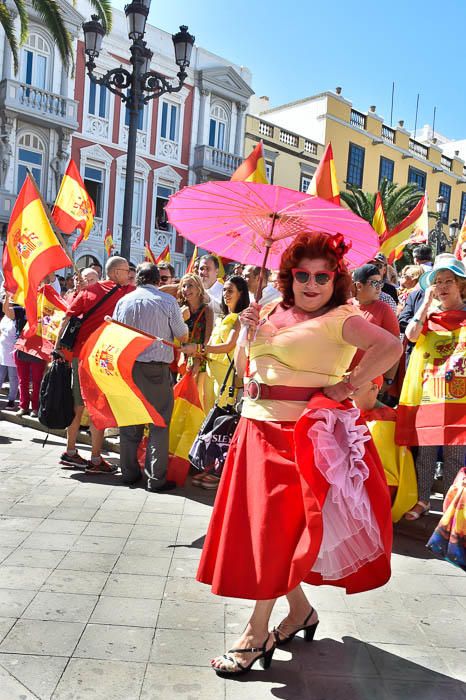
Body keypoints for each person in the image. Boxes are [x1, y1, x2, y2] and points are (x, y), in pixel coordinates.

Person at [197, 232, 402, 677]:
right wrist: (246, 329)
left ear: (336, 280)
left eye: (322, 276)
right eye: (302, 275)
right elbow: (248, 364)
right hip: (254, 428)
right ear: (289, 276)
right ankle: (300, 613)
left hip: (300, 438)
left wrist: (347, 385)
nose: (311, 284)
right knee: (267, 531)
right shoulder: (269, 309)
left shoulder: (341, 317)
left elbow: (390, 346)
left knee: (273, 533)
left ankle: (255, 632)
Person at [400, 254, 466, 520]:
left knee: (455, 452)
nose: (442, 286)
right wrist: (425, 303)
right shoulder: (429, 315)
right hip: (431, 392)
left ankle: (452, 506)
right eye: (437, 281)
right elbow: (411, 336)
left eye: (448, 280)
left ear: (460, 285)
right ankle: (423, 500)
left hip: (461, 396)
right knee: (425, 450)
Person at [113, 263, 188, 491]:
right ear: (158, 281)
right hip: (156, 370)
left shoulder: (123, 301)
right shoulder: (167, 301)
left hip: (129, 368)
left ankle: (128, 473)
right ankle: (156, 478)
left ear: (138, 280)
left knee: (130, 423)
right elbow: (182, 334)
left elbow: (115, 333)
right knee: (159, 423)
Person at [54, 256, 131, 473]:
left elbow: (66, 319)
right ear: (116, 272)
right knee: (98, 408)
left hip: (79, 358)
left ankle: (70, 452)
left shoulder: (87, 291)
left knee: (78, 406)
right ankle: (96, 460)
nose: (129, 274)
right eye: (126, 270)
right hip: (100, 359)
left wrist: (58, 349)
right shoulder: (125, 291)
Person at [183, 275, 250, 489]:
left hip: (228, 379)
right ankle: (211, 466)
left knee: (223, 424)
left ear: (241, 294)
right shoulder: (225, 317)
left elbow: (229, 346)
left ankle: (218, 471)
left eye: (231, 291)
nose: (226, 294)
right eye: (225, 290)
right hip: (214, 376)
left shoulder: (240, 318)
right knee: (213, 422)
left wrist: (199, 349)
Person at [350, 264, 400, 394]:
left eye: (380, 283)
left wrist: (388, 380)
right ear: (359, 286)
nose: (379, 288)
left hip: (370, 382)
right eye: (374, 283)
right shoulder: (346, 306)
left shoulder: (384, 309)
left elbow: (395, 347)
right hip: (342, 378)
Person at [177, 273, 213, 382]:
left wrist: (197, 361)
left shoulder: (207, 310)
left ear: (199, 289)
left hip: (200, 360)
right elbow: (174, 334)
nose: (186, 289)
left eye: (190, 285)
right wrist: (181, 319)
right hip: (183, 359)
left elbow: (208, 339)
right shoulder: (180, 309)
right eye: (183, 286)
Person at [0, 290, 19, 409]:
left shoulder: (17, 317)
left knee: (13, 377)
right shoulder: (4, 318)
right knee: (0, 376)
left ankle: (11, 400)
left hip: (12, 352)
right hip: (2, 350)